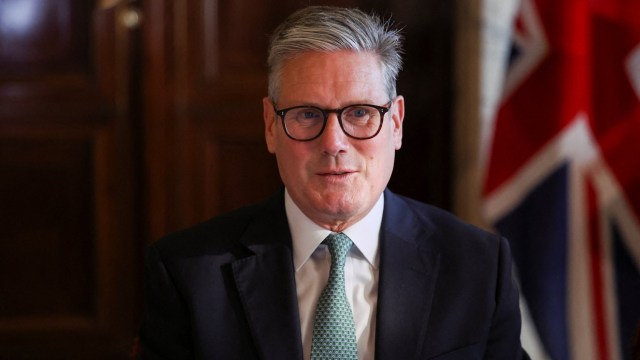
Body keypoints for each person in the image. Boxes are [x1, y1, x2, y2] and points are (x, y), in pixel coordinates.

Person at [139, 5, 527, 359]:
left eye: (360, 112)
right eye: (307, 114)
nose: (333, 143)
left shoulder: (476, 266)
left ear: (395, 122)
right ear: (271, 126)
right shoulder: (187, 273)